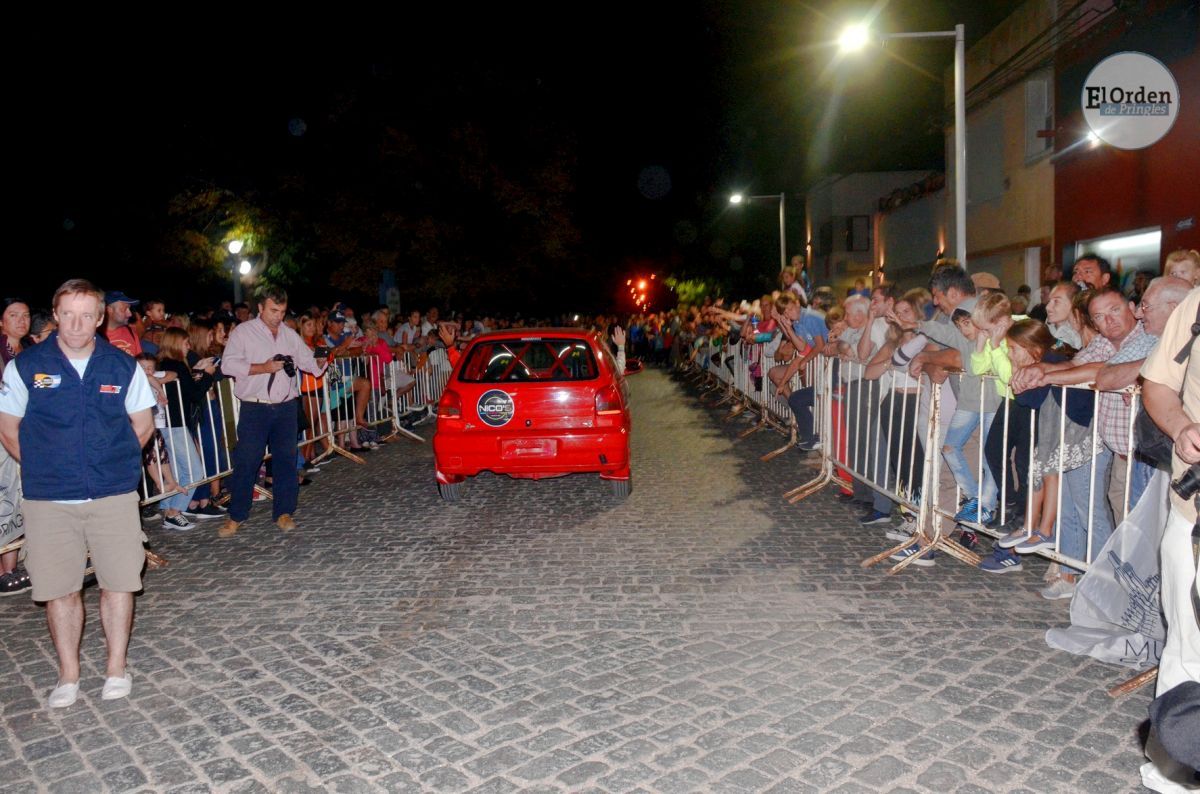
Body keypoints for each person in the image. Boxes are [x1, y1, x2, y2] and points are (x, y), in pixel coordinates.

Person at [0, 278, 156, 707]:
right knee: (60, 589)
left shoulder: (120, 365)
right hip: (49, 499)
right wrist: (45, 469)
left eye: (86, 315)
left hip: (112, 495)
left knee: (119, 584)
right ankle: (68, 674)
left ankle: (115, 667)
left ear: (100, 318)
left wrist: (114, 464)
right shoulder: (26, 366)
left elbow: (142, 425)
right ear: (55, 315)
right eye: (67, 314)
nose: (76, 323)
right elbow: (8, 428)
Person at [1138, 286, 1200, 792]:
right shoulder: (1197, 304)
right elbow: (1157, 384)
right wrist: (1181, 427)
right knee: (1188, 638)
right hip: (1194, 510)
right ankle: (1180, 763)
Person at [218, 287, 326, 539]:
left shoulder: (289, 334)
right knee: (247, 461)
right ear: (260, 308)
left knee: (286, 462)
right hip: (255, 407)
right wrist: (263, 367)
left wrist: (322, 360)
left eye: (282, 311)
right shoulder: (244, 332)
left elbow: (309, 363)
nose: (278, 316)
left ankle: (284, 512)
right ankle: (236, 516)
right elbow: (228, 364)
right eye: (273, 310)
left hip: (286, 406)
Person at [104, 291, 142, 356]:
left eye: (129, 309)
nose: (130, 314)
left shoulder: (131, 332)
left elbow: (139, 361)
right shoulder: (93, 336)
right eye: (124, 309)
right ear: (109, 309)